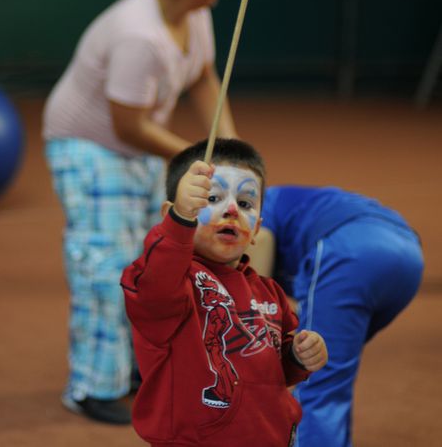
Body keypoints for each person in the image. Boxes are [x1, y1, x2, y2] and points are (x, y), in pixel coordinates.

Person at [43, 0, 239, 425]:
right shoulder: (139, 35)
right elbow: (127, 125)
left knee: (151, 261)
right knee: (105, 266)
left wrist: (232, 145)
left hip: (136, 146)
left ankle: (132, 367)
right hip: (88, 147)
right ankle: (90, 387)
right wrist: (195, 159)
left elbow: (202, 78)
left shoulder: (195, 11)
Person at [121, 138, 328, 447]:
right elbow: (156, 289)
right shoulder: (173, 281)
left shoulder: (269, 292)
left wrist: (299, 356)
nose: (231, 209)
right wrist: (180, 221)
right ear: (174, 213)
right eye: (213, 198)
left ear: (256, 228)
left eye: (245, 204)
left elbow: (276, 373)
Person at [249, 184, 424, 447]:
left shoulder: (253, 205)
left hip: (351, 249)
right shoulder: (271, 201)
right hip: (408, 258)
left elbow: (250, 302)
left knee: (318, 382)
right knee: (331, 378)